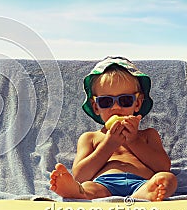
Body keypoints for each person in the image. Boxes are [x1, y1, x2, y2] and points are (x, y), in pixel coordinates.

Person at [50, 56, 177, 201]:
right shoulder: (90, 138)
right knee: (88, 186)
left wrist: (134, 141)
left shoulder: (148, 135)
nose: (116, 107)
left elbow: (163, 167)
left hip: (143, 182)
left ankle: (145, 194)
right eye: (106, 101)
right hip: (104, 184)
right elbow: (80, 175)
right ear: (95, 106)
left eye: (125, 100)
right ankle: (79, 191)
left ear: (138, 103)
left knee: (168, 178)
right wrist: (108, 145)